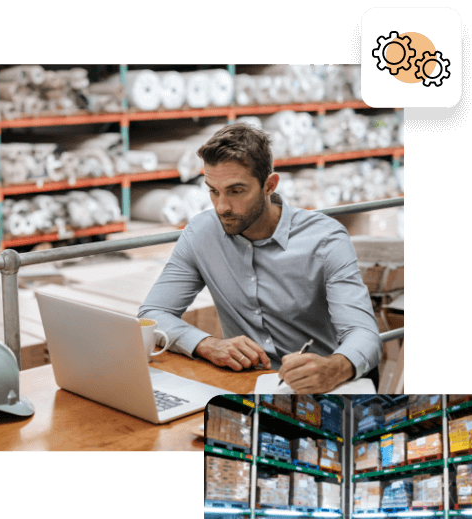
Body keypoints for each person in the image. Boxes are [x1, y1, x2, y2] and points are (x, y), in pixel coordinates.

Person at [139, 123, 383, 393]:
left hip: (320, 388)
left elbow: (364, 334)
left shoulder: (325, 239)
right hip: (242, 386)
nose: (221, 207)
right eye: (213, 190)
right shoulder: (200, 233)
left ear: (270, 185)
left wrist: (335, 367)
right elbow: (153, 313)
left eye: (236, 191)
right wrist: (206, 344)